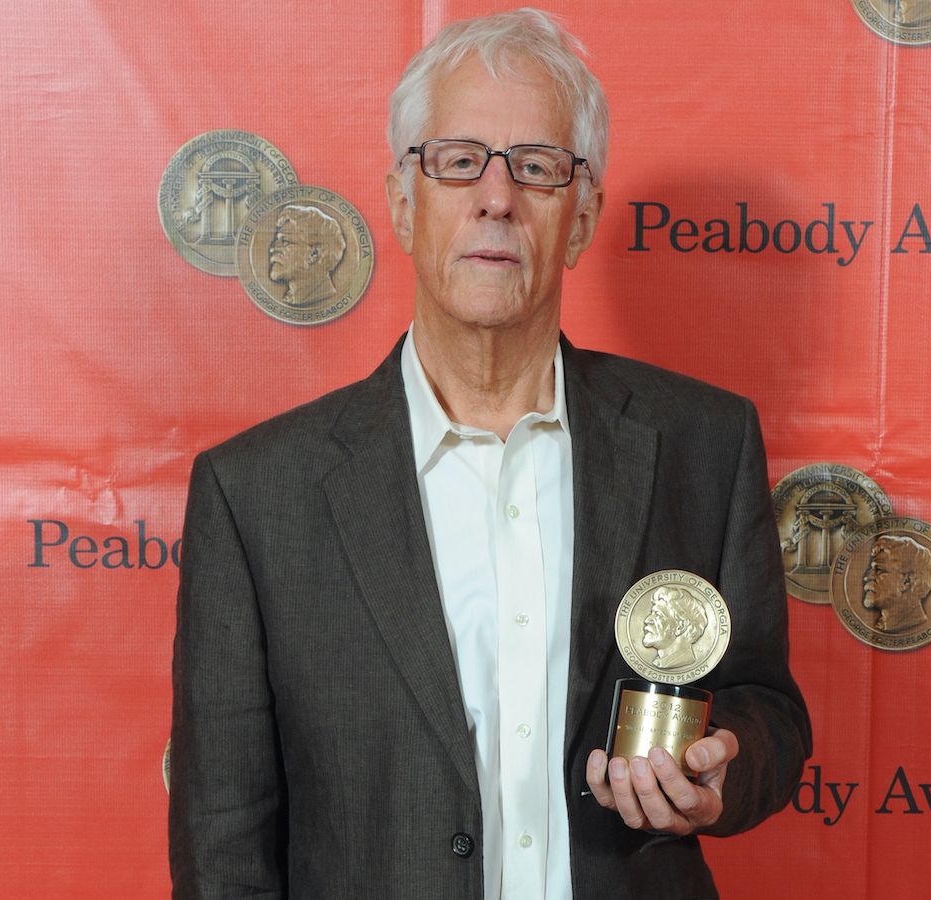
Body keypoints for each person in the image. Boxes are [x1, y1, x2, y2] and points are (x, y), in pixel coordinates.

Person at [169, 9, 810, 900]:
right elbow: (222, 845)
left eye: (537, 168)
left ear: (580, 218)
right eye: (458, 159)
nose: (497, 197)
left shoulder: (704, 443)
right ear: (403, 202)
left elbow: (767, 711)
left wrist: (719, 771)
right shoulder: (256, 494)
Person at [268, 204, 347, 306]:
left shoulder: (319, 294)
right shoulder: (293, 297)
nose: (272, 249)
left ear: (314, 254)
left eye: (285, 241)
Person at [862, 534, 931, 632]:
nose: (867, 577)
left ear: (907, 581)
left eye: (880, 570)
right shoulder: (882, 624)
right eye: (871, 570)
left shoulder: (911, 622)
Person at [642, 586, 709, 670]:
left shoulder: (680, 662)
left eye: (658, 615)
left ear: (681, 627)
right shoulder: (659, 662)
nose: (647, 620)